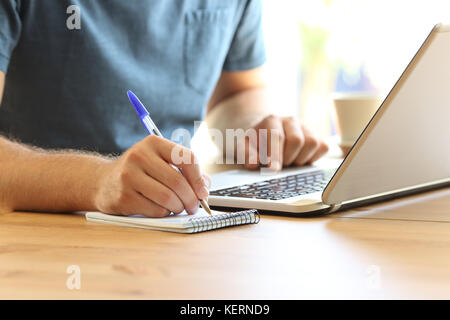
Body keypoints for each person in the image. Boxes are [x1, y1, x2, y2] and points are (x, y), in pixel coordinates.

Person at [0, 0, 328, 217]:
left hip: (171, 221)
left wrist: (254, 130)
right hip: (48, 238)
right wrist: (99, 182)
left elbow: (237, 91)